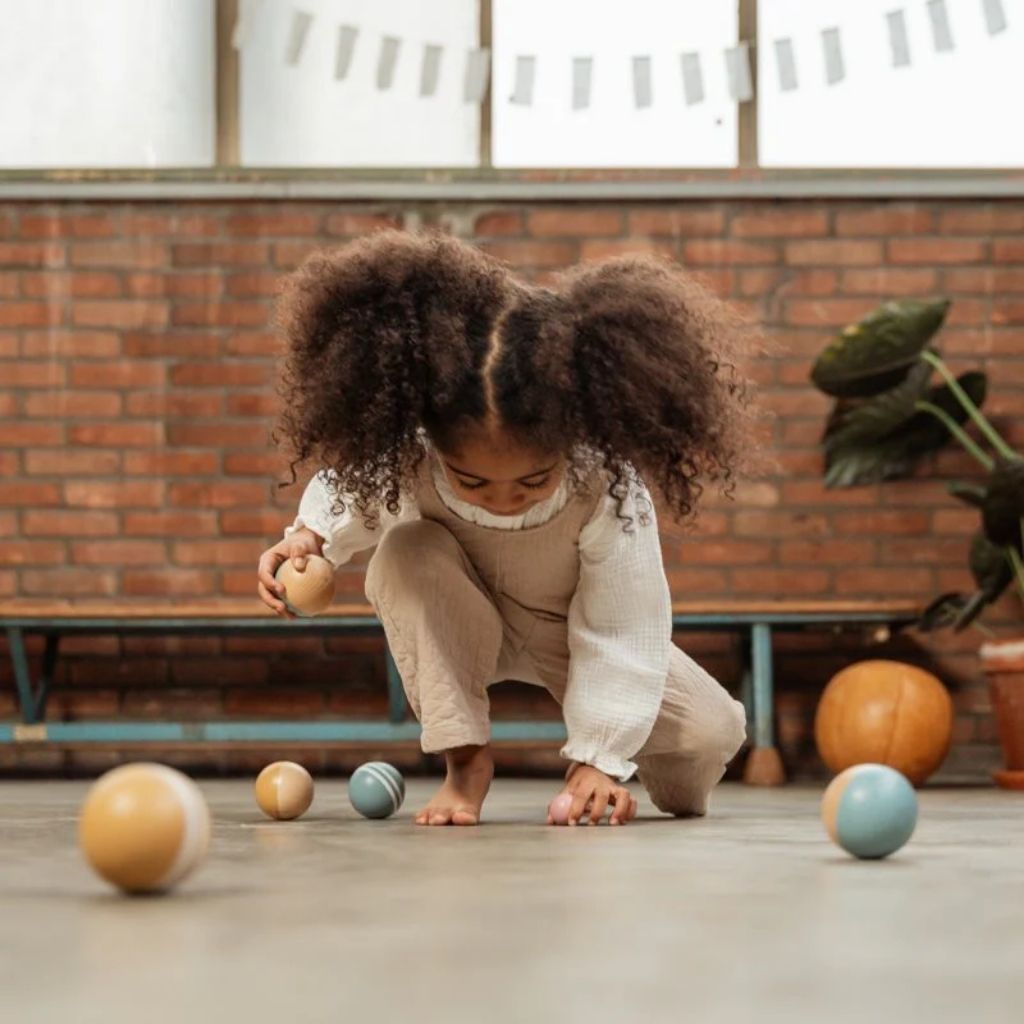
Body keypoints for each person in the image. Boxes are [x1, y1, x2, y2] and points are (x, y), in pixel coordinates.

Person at [257, 228, 762, 827]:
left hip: (568, 635)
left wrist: (597, 759)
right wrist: (308, 539)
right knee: (403, 551)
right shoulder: (411, 455)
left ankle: (627, 778)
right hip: (462, 617)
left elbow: (623, 627)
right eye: (472, 483)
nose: (501, 501)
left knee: (714, 729)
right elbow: (351, 492)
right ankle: (466, 764)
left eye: (530, 482)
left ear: (570, 442)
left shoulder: (606, 484)